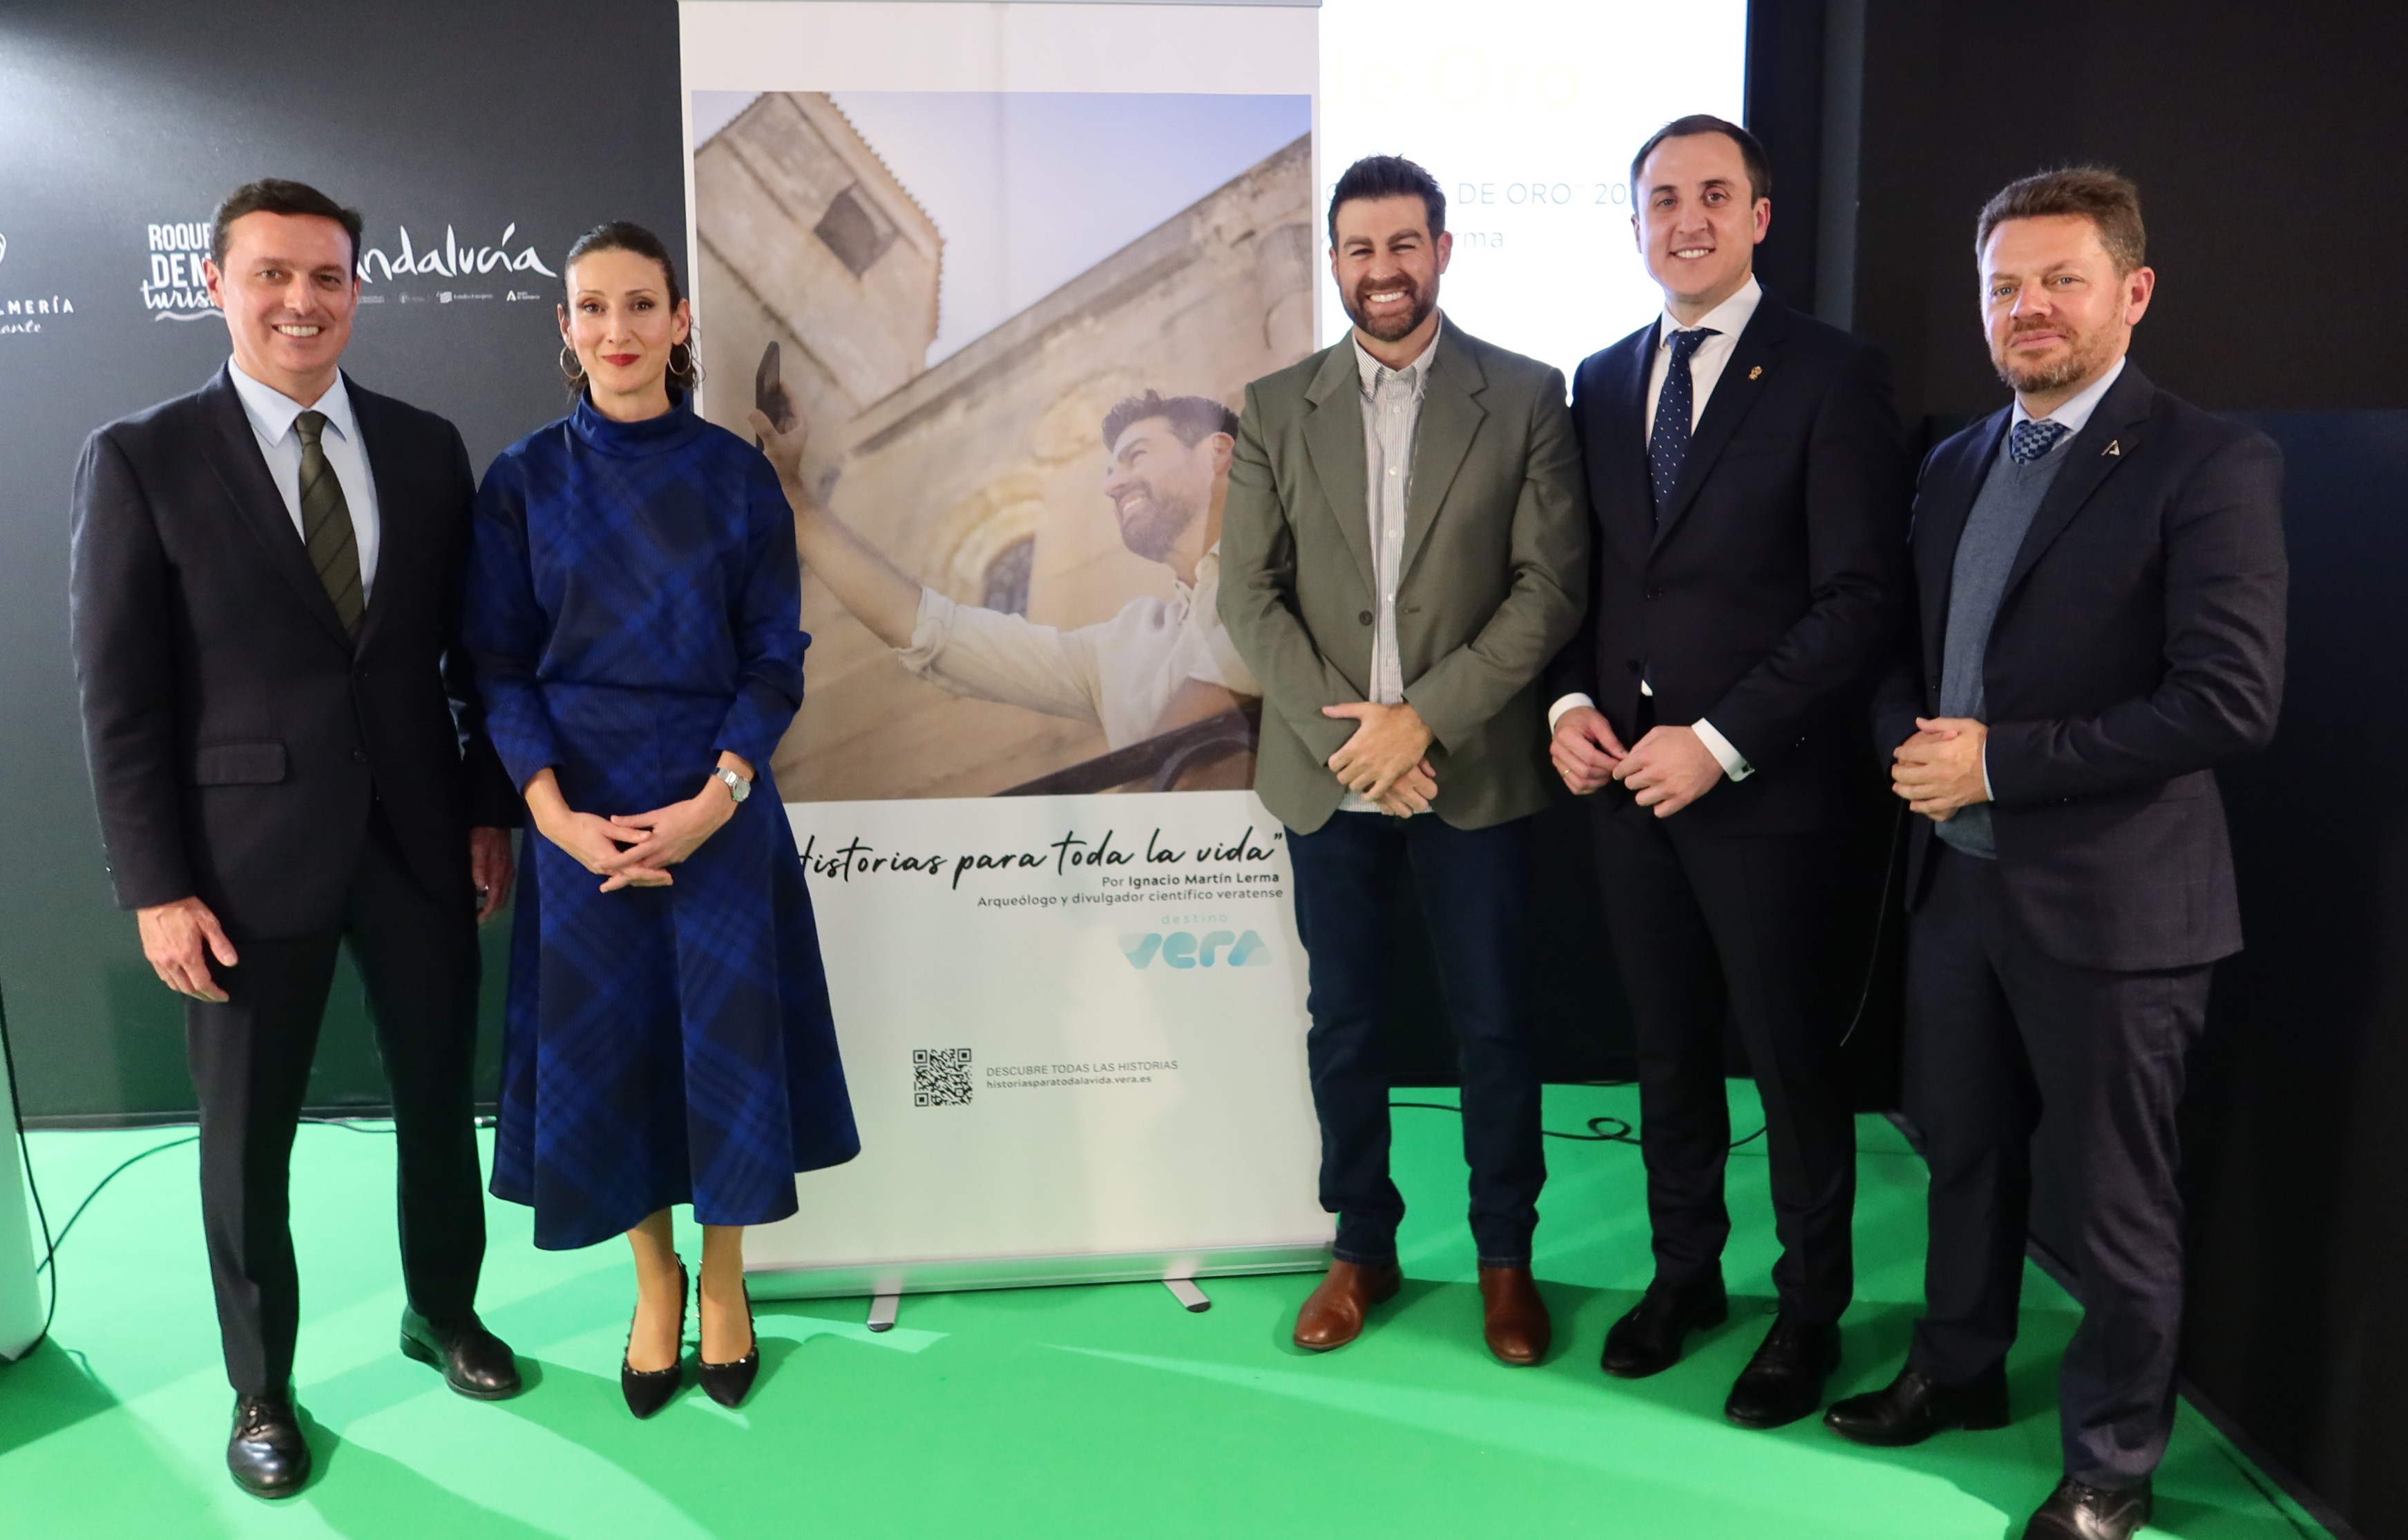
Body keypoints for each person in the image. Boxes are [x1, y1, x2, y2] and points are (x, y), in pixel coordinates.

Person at [1826, 168, 2285, 1540]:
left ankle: (2112, 1460)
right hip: (1956, 888)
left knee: (2115, 1199)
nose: (2029, 308)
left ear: (2132, 293)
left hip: (2119, 907)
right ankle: (1957, 1365)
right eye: (2005, 286)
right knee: (1964, 1153)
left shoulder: (2210, 462)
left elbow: (2229, 699)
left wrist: (1999, 763)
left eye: (2060, 280)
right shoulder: (1956, 462)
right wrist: (1910, 741)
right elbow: (1907, 657)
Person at [67, 178, 523, 1499]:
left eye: (325, 276)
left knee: (439, 1098)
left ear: (356, 291)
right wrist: (157, 886)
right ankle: (261, 1384)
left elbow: (473, 655)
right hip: (240, 864)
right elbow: (120, 697)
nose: (300, 301)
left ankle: (444, 1308)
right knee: (246, 1136)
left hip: (420, 841)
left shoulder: (426, 446)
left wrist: (484, 806)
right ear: (216, 284)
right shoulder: (143, 456)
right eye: (270, 273)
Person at [1540, 115, 1910, 1427]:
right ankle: (1684, 1276)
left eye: (1712, 194)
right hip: (1626, 786)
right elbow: (1587, 582)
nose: (1684, 219)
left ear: (1759, 216)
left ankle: (1807, 1315)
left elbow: (1859, 598)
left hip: (1766, 789)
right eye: (1661, 198)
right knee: (1666, 1051)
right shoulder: (1598, 379)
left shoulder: (1832, 373)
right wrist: (1569, 701)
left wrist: (1719, 739)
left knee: (1790, 1065)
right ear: (1636, 223)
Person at [464, 221, 860, 1420]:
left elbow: (775, 656)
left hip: (716, 809)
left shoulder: (736, 476)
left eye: (641, 305)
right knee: (615, 1057)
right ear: (565, 326)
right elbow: (495, 667)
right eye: (592, 307)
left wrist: (716, 797)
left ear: (680, 322)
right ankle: (655, 1279)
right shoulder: (521, 480)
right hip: (578, 819)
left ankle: (726, 1277)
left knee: (728, 1054)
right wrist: (552, 817)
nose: (618, 330)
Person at [1218, 155, 1587, 1365]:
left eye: (1403, 244)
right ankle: (1361, 1243)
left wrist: (1421, 720)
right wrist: (1359, 745)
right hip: (1330, 778)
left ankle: (1504, 1259)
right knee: (1344, 1022)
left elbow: (1547, 588)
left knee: (1495, 1024)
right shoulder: (1275, 406)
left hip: (1470, 765)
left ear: (1442, 250)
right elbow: (1248, 594)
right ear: (1334, 262)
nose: (1383, 270)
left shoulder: (1525, 394)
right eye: (1360, 249)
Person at [766, 387, 1259, 752]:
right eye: (1110, 471)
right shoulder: (1126, 644)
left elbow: (1191, 743)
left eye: (1137, 456)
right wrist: (797, 503)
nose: (1112, 486)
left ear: (1218, 453)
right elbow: (938, 634)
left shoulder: (1288, 561)